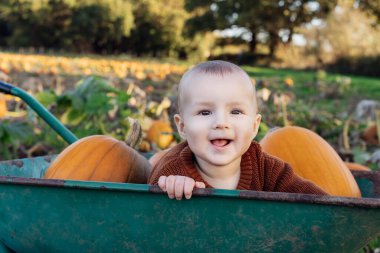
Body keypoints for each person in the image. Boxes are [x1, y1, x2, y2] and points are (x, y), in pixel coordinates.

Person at [148, 60, 327, 200]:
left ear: (254, 126)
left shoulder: (268, 170)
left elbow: (320, 204)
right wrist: (170, 187)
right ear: (183, 126)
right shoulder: (173, 169)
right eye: (205, 112)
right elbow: (148, 211)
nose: (221, 123)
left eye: (235, 111)